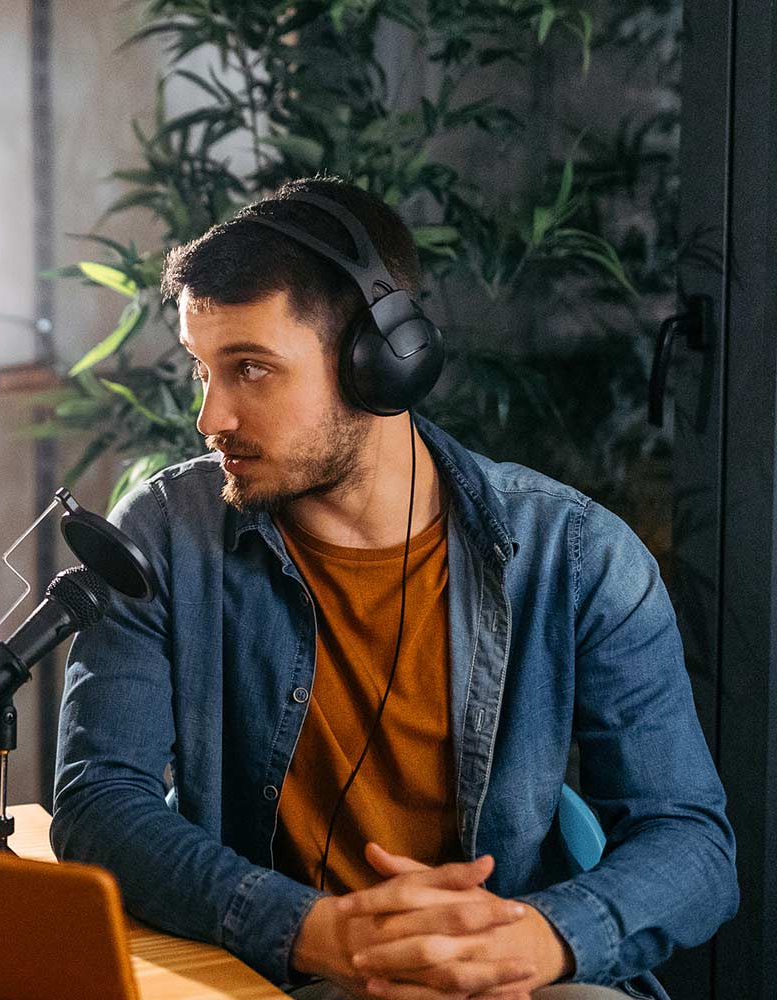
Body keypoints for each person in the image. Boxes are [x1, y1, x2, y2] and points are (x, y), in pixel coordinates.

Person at [50, 178, 736, 1000]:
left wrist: (540, 940)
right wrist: (310, 929)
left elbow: (690, 842)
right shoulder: (162, 534)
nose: (212, 417)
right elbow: (98, 798)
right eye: (205, 369)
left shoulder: (577, 556)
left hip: (514, 980)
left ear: (383, 362)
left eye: (251, 370)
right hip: (284, 970)